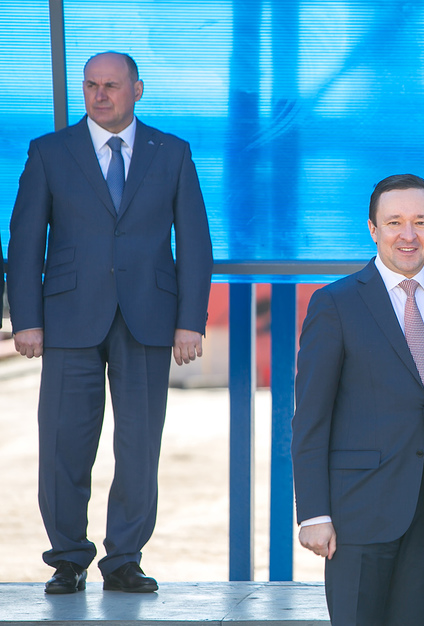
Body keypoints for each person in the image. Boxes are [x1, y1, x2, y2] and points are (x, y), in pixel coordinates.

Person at [6, 51, 213, 594]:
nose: (100, 95)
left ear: (137, 89)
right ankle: (67, 558)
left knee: (140, 445)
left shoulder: (172, 152)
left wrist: (190, 321)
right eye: (91, 85)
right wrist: (26, 318)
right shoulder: (50, 152)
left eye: (112, 85)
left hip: (149, 317)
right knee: (63, 443)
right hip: (68, 318)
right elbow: (25, 242)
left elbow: (195, 241)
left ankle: (124, 559)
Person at [291, 174, 424, 625]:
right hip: (357, 514)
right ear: (373, 229)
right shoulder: (335, 304)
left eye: (421, 222)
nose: (408, 235)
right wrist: (313, 513)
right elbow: (311, 417)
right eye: (394, 222)